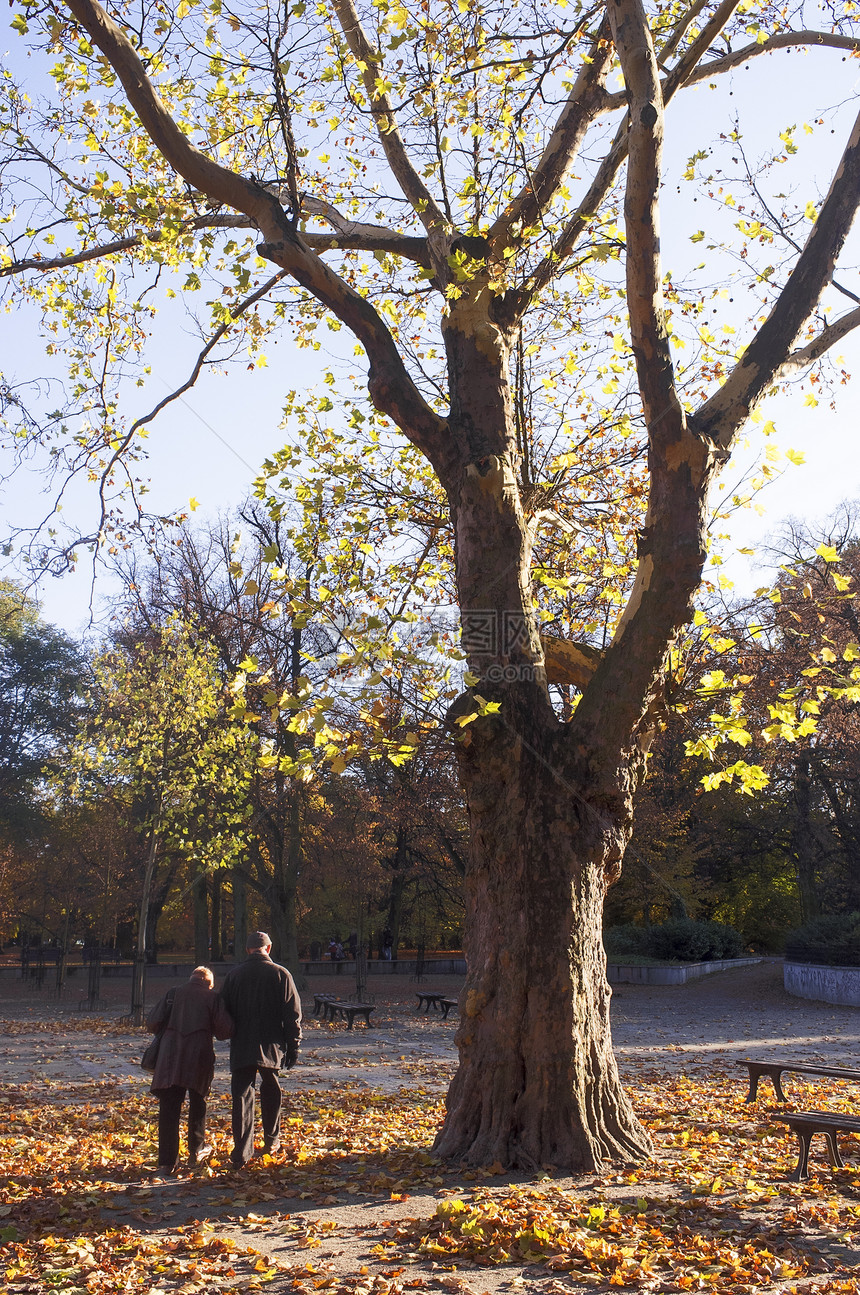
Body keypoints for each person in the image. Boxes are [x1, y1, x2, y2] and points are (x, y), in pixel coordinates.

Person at [219, 930, 302, 1169]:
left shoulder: (234, 975)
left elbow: (223, 1010)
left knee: (242, 1098)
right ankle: (271, 1140)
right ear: (269, 948)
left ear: (247, 950)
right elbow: (292, 1015)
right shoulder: (281, 974)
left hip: (242, 1044)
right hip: (271, 1045)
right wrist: (293, 1045)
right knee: (271, 1092)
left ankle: (242, 1152)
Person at [146, 965, 234, 1175]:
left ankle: (167, 1162)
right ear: (209, 983)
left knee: (169, 1108)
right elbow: (225, 1031)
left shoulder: (173, 993)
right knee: (198, 1103)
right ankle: (196, 1150)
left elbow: (152, 1022)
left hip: (170, 1056)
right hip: (199, 1056)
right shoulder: (212, 997)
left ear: (191, 979)